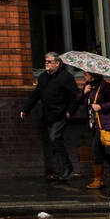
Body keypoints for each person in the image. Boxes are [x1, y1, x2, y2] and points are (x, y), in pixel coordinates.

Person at [19, 51, 79, 180]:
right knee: (54, 143)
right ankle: (61, 171)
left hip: (61, 114)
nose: (47, 64)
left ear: (57, 63)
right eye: (46, 61)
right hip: (48, 115)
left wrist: (70, 111)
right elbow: (36, 95)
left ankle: (67, 168)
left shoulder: (66, 77)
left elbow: (76, 96)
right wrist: (25, 109)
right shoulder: (42, 77)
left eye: (49, 62)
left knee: (54, 138)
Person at [68, 70, 110, 188]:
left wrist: (101, 106)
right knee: (100, 152)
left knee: (96, 150)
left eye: (86, 74)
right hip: (93, 124)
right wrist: (83, 92)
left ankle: (99, 180)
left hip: (104, 123)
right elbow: (78, 101)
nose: (84, 75)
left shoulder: (105, 86)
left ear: (93, 75)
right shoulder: (88, 86)